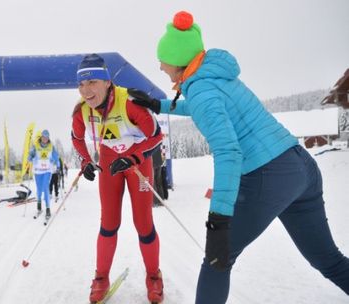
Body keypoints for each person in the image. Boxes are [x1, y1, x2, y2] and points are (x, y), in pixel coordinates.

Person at [128, 11, 349, 303]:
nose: (160, 66)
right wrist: (159, 104)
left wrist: (219, 218)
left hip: (266, 175)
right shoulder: (213, 76)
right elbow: (206, 105)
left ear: (178, 60)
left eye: (163, 60)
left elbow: (228, 151)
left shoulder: (202, 92)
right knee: (327, 259)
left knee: (218, 259)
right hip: (300, 167)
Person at [71, 53, 165, 303]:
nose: (86, 90)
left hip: (138, 166)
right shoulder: (82, 112)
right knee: (109, 223)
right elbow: (77, 138)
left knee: (143, 224)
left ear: (107, 81)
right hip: (109, 166)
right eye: (81, 84)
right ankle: (101, 278)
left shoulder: (130, 102)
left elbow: (156, 136)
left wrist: (134, 158)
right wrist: (86, 161)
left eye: (92, 82)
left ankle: (154, 276)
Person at [28, 129, 59, 219]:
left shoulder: (51, 146)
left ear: (48, 138)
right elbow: (31, 154)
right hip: (38, 171)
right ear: (41, 137)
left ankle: (48, 208)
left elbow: (56, 156)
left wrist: (57, 163)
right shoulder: (36, 145)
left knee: (45, 187)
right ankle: (39, 204)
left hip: (47, 170)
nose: (45, 139)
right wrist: (30, 157)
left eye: (46, 137)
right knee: (39, 188)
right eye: (43, 137)